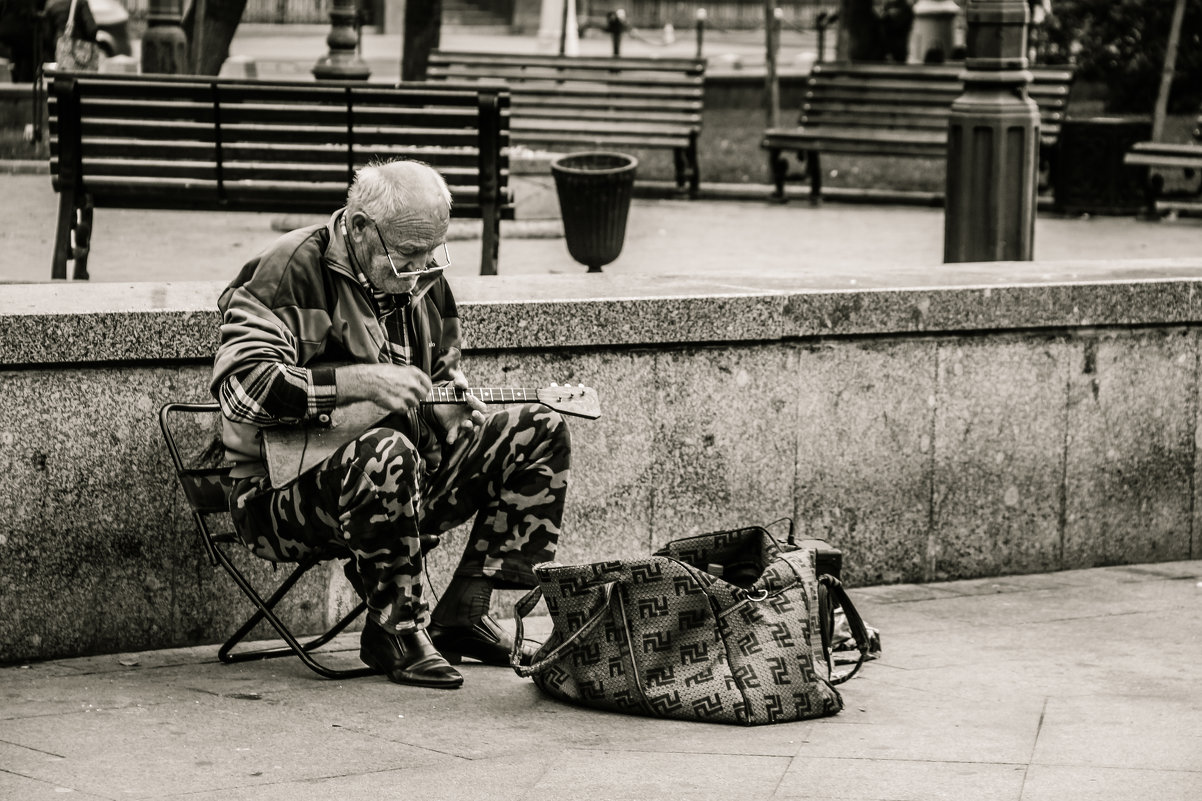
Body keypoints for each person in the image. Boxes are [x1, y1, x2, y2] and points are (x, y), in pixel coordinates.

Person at [211, 159, 572, 690]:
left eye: (433, 252)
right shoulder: (291, 268)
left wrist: (446, 408)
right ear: (360, 228)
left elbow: (438, 374)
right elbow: (241, 390)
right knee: (386, 451)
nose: (422, 270)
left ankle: (465, 611)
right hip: (275, 496)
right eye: (407, 256)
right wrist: (361, 383)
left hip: (397, 479)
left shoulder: (424, 280)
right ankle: (394, 628)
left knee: (538, 430)